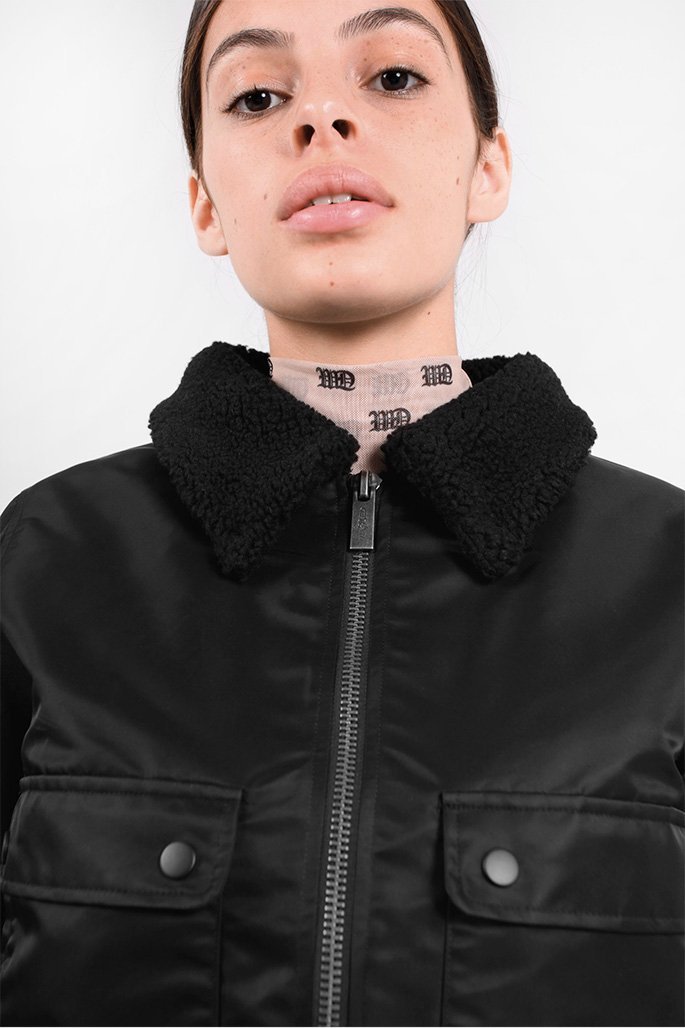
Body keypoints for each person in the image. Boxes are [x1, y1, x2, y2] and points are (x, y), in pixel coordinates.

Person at [1, 1, 682, 1025]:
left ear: (489, 167)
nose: (321, 118)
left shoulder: (665, 577)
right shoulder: (45, 563)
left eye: (393, 76)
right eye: (257, 96)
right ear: (205, 205)